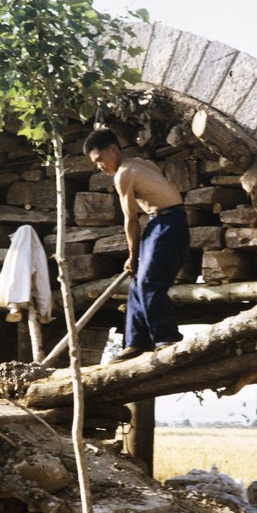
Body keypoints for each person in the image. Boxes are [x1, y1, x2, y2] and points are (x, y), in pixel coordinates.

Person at [83, 128, 190, 363]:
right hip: (162, 221)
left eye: (100, 159)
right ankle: (136, 342)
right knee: (137, 283)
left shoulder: (124, 174)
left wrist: (132, 255)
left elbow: (130, 219)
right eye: (95, 163)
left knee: (150, 282)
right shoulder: (143, 163)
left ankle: (167, 338)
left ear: (113, 149)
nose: (99, 166)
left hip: (167, 223)